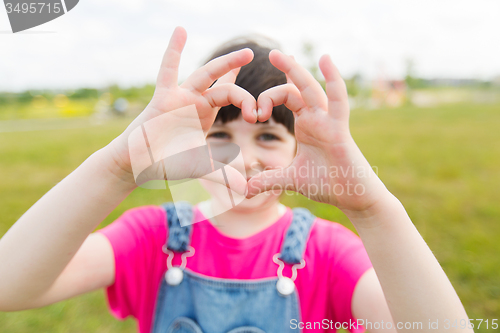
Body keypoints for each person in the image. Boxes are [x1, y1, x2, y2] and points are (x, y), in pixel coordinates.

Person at [0, 26, 472, 333]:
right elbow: (10, 286)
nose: (243, 160)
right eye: (221, 134)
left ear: (296, 148)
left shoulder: (326, 253)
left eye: (267, 135)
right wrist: (120, 166)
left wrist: (372, 211)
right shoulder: (154, 237)